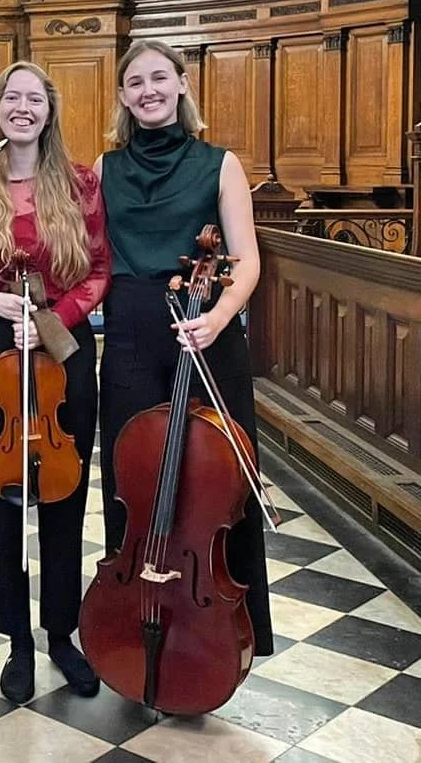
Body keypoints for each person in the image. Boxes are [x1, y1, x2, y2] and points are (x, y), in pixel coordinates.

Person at [94, 39, 274, 656]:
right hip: (130, 337)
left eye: (159, 79)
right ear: (122, 96)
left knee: (215, 490)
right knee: (131, 478)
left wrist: (220, 317)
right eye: (135, 82)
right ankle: (132, 620)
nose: (148, 91)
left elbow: (247, 260)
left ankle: (218, 633)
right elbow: (90, 258)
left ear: (180, 85)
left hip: (205, 331)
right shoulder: (103, 168)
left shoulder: (219, 163)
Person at [0, 62, 111, 704]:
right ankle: (15, 639)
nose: (22, 107)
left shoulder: (82, 184)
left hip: (63, 347)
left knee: (65, 493)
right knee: (1, 494)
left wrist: (56, 318)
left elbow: (99, 269)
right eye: (11, 96)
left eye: (33, 97)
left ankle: (62, 634)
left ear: (49, 110)